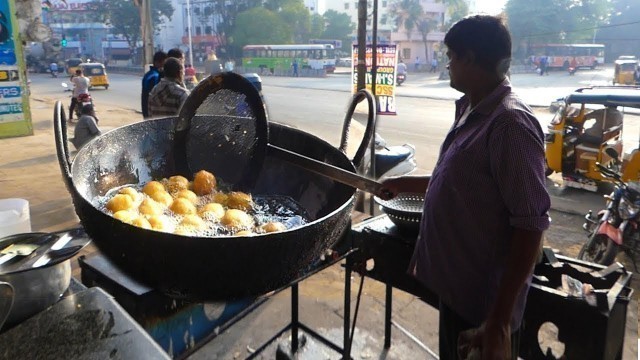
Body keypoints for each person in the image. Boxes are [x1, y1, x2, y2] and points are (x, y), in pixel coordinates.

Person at [381, 15, 550, 360]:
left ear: (470, 59)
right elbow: (460, 181)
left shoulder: (510, 124)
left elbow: (531, 224)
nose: (448, 65)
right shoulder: (473, 108)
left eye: (451, 56)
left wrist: (499, 322)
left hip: (484, 306)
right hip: (459, 290)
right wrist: (404, 184)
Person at [141, 50, 167, 118]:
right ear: (157, 62)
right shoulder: (154, 76)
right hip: (153, 114)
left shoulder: (148, 74)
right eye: (164, 63)